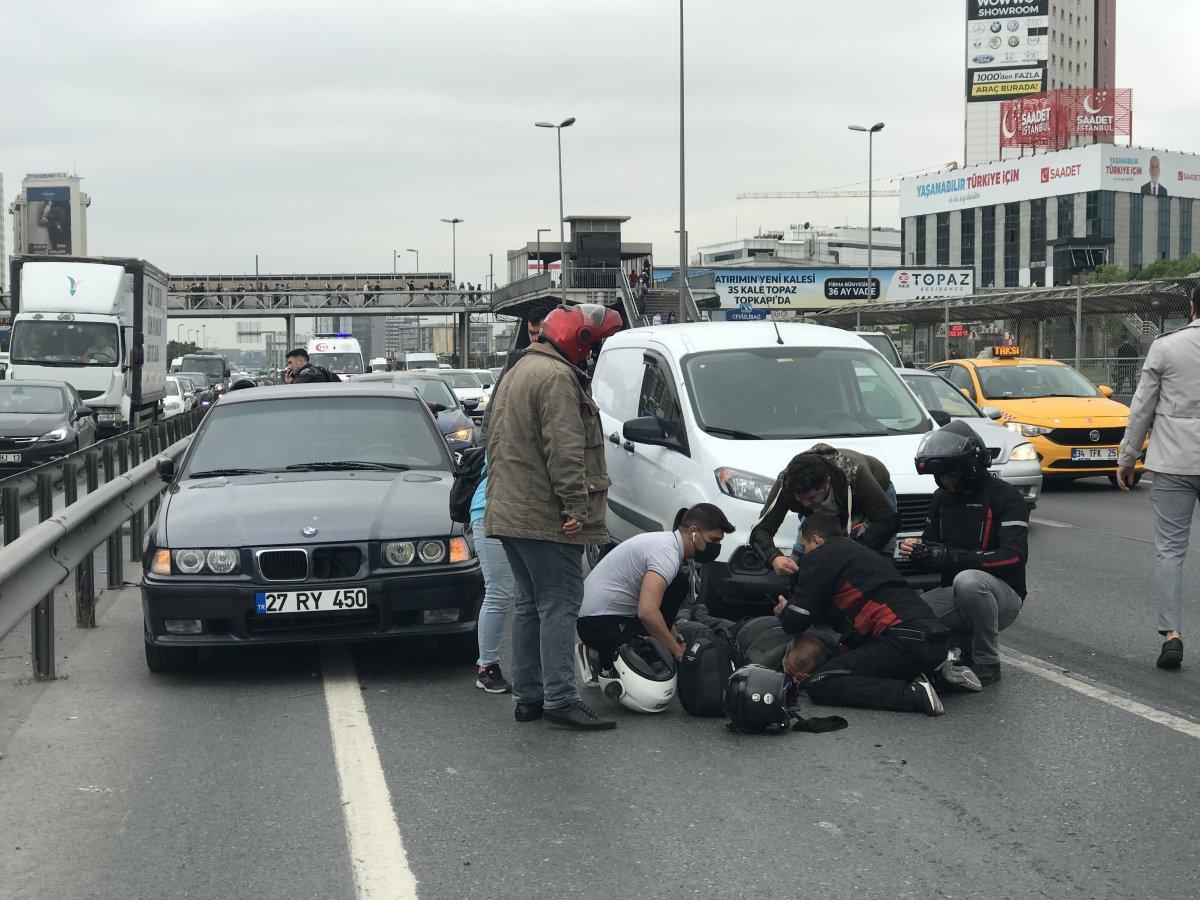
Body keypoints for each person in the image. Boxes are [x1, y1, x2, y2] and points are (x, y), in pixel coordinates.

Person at [484, 303, 624, 731]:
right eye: (592, 345)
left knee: (529, 606)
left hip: (509, 511)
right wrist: (574, 510)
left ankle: (529, 697)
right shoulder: (557, 378)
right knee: (560, 605)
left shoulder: (517, 372)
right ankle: (560, 698)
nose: (592, 354)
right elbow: (565, 452)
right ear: (576, 341)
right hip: (546, 516)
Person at [775, 513, 970, 716]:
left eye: (805, 546)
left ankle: (913, 694)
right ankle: (938, 676)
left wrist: (784, 611)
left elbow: (796, 621)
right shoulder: (862, 554)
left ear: (816, 540)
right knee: (853, 658)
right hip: (932, 639)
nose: (805, 554)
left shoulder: (821, 555)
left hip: (904, 640)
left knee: (821, 682)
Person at [900, 420, 1029, 686]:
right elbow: (933, 545)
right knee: (903, 616)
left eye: (949, 474)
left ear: (969, 468)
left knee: (969, 580)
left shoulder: (1006, 497)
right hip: (955, 595)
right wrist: (919, 551)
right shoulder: (940, 498)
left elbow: (1014, 556)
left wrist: (954, 558)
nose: (944, 481)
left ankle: (986, 662)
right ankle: (955, 649)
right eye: (939, 476)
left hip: (1002, 595)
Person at [1116, 284, 1200, 670]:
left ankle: (1172, 635)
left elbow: (1142, 408)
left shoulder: (1166, 347)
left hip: (1172, 463)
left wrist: (1128, 457)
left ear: (1190, 305)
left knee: (1170, 550)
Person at [576, 503, 735, 678]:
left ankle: (607, 651)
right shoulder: (666, 555)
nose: (716, 547)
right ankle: (597, 655)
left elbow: (661, 610)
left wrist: (676, 640)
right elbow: (648, 613)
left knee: (678, 584)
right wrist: (678, 653)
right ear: (693, 533)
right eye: (713, 540)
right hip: (597, 622)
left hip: (607, 614)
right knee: (654, 669)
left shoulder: (667, 543)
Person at [750, 444, 900, 578]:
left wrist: (849, 553)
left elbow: (887, 522)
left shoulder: (855, 474)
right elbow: (761, 530)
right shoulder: (785, 485)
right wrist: (774, 557)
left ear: (826, 483)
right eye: (801, 499)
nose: (807, 504)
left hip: (867, 496)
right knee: (803, 566)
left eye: (812, 497)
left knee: (872, 563)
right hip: (824, 512)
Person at [469, 455, 515, 694]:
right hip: (489, 511)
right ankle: (486, 666)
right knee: (499, 589)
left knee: (527, 594)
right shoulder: (505, 420)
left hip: (519, 512)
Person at [479, 305, 549, 442]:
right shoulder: (514, 361)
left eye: (538, 334)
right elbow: (494, 404)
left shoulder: (559, 366)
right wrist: (483, 441)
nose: (534, 339)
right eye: (531, 333)